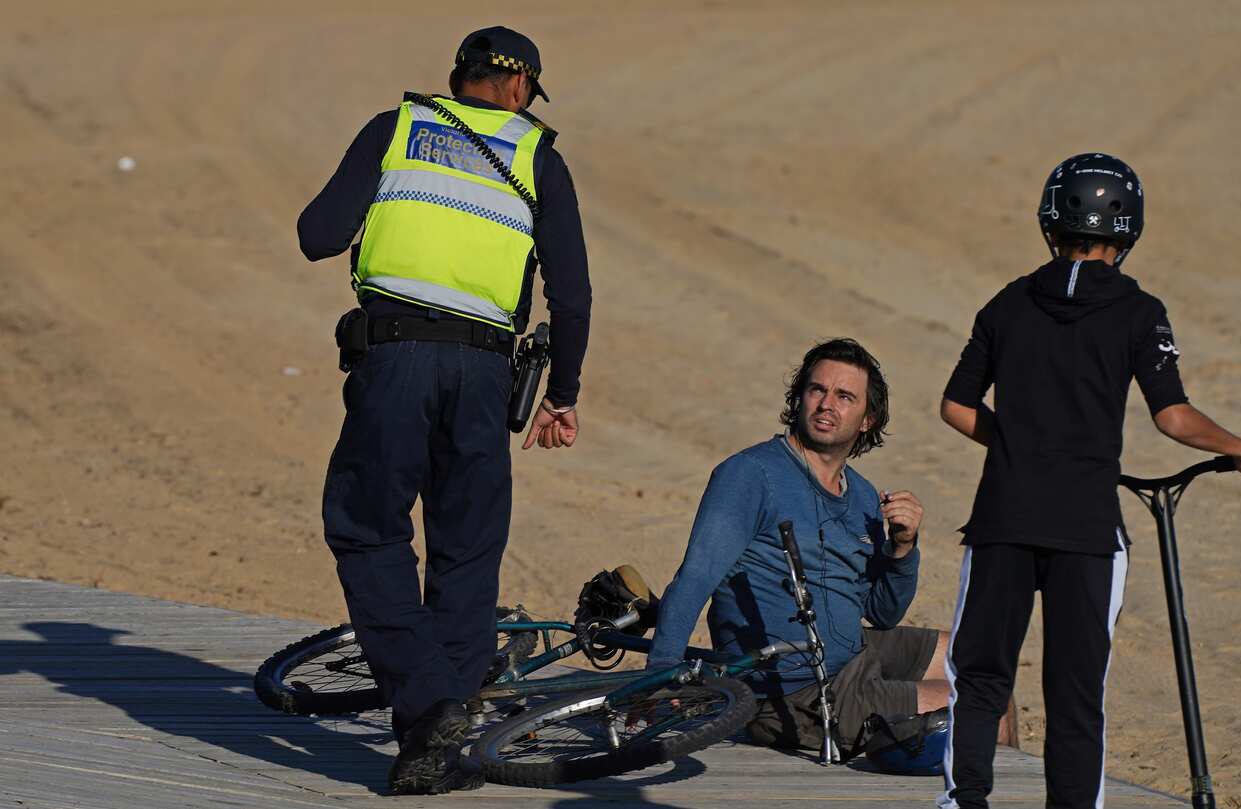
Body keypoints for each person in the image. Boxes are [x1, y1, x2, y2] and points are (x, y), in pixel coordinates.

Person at [296, 26, 591, 795]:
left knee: (366, 529)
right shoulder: (539, 160)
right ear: (522, 88)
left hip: (392, 358)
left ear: (458, 77)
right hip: (487, 376)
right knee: (466, 550)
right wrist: (563, 394)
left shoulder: (397, 129)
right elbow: (573, 294)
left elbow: (315, 236)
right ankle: (440, 747)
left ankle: (430, 709)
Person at [938, 153, 1241, 809]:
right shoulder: (1138, 310)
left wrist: (1016, 443)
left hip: (1003, 515)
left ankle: (964, 802)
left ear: (1051, 221)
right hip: (1086, 527)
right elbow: (1173, 416)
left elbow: (956, 406)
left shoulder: (1008, 301)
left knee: (979, 675)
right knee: (1075, 689)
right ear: (1126, 228)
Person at [646, 338, 1016, 759]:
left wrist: (903, 546)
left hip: (852, 654)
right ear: (799, 397)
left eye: (844, 396)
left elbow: (881, 611)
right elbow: (693, 579)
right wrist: (661, 675)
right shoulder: (750, 474)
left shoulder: (861, 495)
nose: (827, 404)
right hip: (794, 692)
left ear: (866, 419)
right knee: (984, 709)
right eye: (817, 390)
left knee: (985, 662)